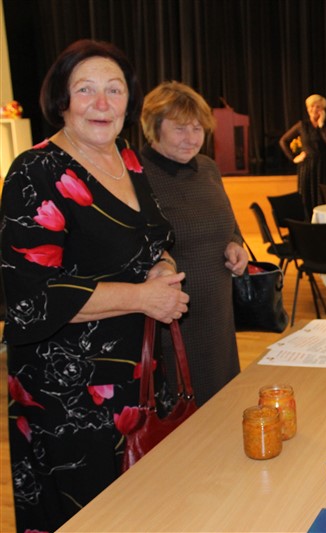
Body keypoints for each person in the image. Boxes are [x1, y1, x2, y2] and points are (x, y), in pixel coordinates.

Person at [1, 40, 189, 533]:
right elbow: (31, 298)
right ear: (61, 100)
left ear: (129, 100)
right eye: (85, 90)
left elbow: (154, 241)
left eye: (114, 89)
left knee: (139, 510)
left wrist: (162, 267)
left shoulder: (127, 160)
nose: (101, 103)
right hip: (66, 395)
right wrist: (143, 297)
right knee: (84, 517)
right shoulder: (34, 172)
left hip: (136, 375)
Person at [140, 81, 248, 405]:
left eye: (198, 128)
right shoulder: (136, 175)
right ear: (154, 127)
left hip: (218, 313)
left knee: (221, 401)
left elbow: (230, 225)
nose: (192, 138)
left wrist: (235, 244)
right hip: (171, 320)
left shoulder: (208, 168)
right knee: (181, 411)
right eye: (180, 128)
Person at [279, 94, 326, 218]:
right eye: (311, 106)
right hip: (307, 167)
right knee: (307, 198)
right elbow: (283, 141)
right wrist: (294, 158)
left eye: (318, 107)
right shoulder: (302, 125)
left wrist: (321, 125)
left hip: (325, 167)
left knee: (324, 198)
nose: (314, 109)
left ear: (323, 110)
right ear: (307, 108)